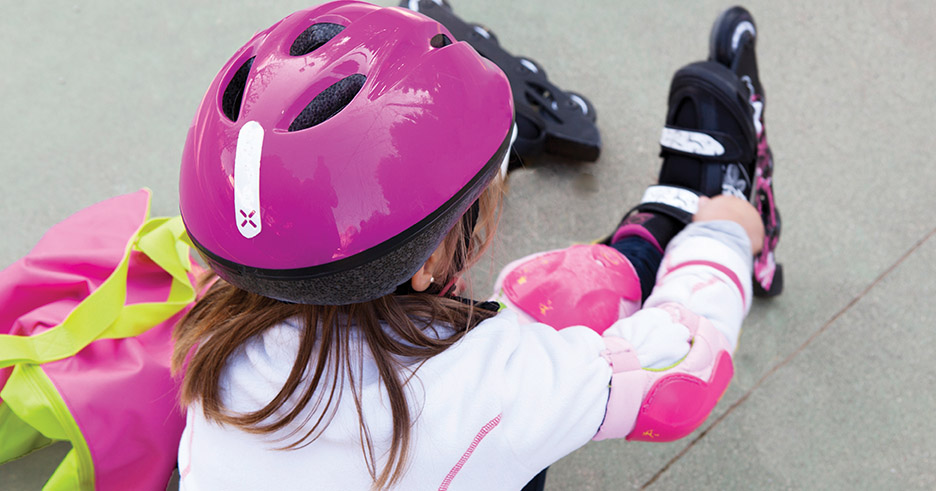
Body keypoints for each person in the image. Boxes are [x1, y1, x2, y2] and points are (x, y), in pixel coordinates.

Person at [172, 2, 774, 489]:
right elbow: (683, 374)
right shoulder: (491, 390)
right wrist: (721, 237)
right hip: (487, 411)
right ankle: (682, 210)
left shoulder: (212, 341)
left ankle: (657, 226)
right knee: (551, 298)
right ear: (431, 259)